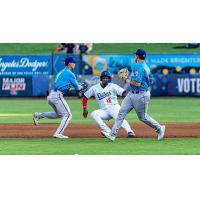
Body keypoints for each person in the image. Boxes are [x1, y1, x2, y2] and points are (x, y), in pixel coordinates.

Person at [101, 49, 165, 141]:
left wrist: (127, 79)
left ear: (138, 56)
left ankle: (159, 128)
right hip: (132, 94)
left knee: (143, 117)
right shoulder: (142, 66)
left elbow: (138, 84)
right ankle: (112, 134)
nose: (135, 57)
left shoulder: (140, 67)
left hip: (141, 95)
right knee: (121, 113)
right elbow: (149, 79)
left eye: (135, 55)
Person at [33, 56, 82, 139]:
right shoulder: (70, 74)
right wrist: (81, 87)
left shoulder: (62, 72)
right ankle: (58, 133)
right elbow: (77, 88)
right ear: (69, 63)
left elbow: (65, 87)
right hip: (57, 96)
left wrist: (77, 87)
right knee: (68, 115)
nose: (74, 64)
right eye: (73, 63)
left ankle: (38, 115)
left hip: (52, 95)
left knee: (59, 114)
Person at [82, 71, 135, 137]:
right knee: (94, 114)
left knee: (119, 118)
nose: (105, 79)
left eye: (107, 78)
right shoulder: (94, 88)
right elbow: (85, 97)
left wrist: (130, 90)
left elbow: (124, 92)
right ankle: (108, 132)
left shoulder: (113, 86)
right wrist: (84, 108)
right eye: (104, 78)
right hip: (104, 111)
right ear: (101, 79)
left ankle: (129, 131)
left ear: (109, 79)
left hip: (114, 107)